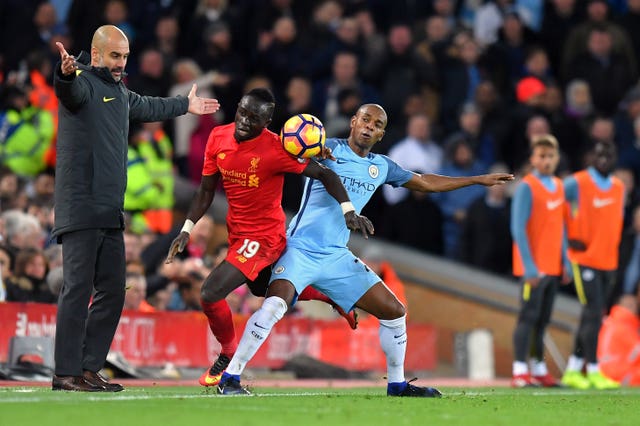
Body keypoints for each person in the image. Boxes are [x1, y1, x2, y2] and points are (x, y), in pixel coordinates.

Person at [215, 103, 513, 396]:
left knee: (394, 311)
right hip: (300, 249)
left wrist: (476, 180)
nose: (370, 127)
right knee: (274, 307)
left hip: (336, 256)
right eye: (366, 120)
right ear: (354, 121)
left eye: (377, 125)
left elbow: (426, 183)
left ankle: (396, 384)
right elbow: (285, 151)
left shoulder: (381, 166)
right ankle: (231, 377)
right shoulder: (325, 148)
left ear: (382, 134)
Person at [165, 88, 373, 388]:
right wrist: (186, 228)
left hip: (264, 237)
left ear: (267, 121)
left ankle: (227, 354)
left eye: (254, 117)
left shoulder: (278, 149)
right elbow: (206, 191)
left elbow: (326, 175)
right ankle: (332, 296)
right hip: (238, 233)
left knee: (210, 293)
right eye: (243, 112)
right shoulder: (218, 138)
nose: (245, 121)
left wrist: (347, 209)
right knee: (264, 288)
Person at [51, 25, 220, 392]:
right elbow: (69, 90)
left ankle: (90, 367)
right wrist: (63, 75)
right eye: (115, 55)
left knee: (113, 289)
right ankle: (66, 373)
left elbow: (149, 105)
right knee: (78, 289)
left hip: (111, 210)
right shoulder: (82, 83)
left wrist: (184, 106)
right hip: (81, 206)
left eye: (125, 56)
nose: (121, 62)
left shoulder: (121, 93)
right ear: (95, 55)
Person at [561, 140, 623, 390]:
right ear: (591, 157)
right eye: (599, 154)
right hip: (584, 259)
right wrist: (567, 239)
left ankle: (573, 370)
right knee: (594, 313)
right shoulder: (578, 182)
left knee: (592, 315)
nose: (604, 158)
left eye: (609, 153)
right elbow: (554, 202)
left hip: (608, 260)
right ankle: (594, 370)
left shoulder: (618, 187)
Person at [511, 134, 571, 388]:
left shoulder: (558, 185)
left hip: (553, 265)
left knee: (543, 319)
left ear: (556, 158)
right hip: (533, 267)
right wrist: (529, 266)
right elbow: (518, 227)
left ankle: (538, 367)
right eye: (541, 156)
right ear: (533, 159)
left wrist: (566, 261)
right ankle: (519, 369)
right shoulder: (527, 186)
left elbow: (562, 228)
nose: (546, 161)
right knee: (528, 316)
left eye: (550, 156)